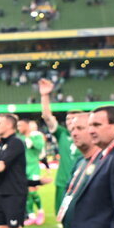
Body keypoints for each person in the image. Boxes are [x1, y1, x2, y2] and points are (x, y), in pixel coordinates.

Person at [37, 78, 81, 214]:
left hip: (82, 181)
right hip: (63, 181)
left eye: (73, 118)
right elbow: (47, 116)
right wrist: (45, 95)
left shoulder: (92, 135)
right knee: (63, 216)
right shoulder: (62, 133)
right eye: (67, 119)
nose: (69, 121)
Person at [17, 117, 45, 225]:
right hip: (23, 168)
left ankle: (41, 212)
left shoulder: (37, 136)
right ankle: (31, 215)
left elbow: (39, 147)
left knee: (33, 191)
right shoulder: (21, 136)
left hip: (33, 167)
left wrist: (29, 138)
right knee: (27, 193)